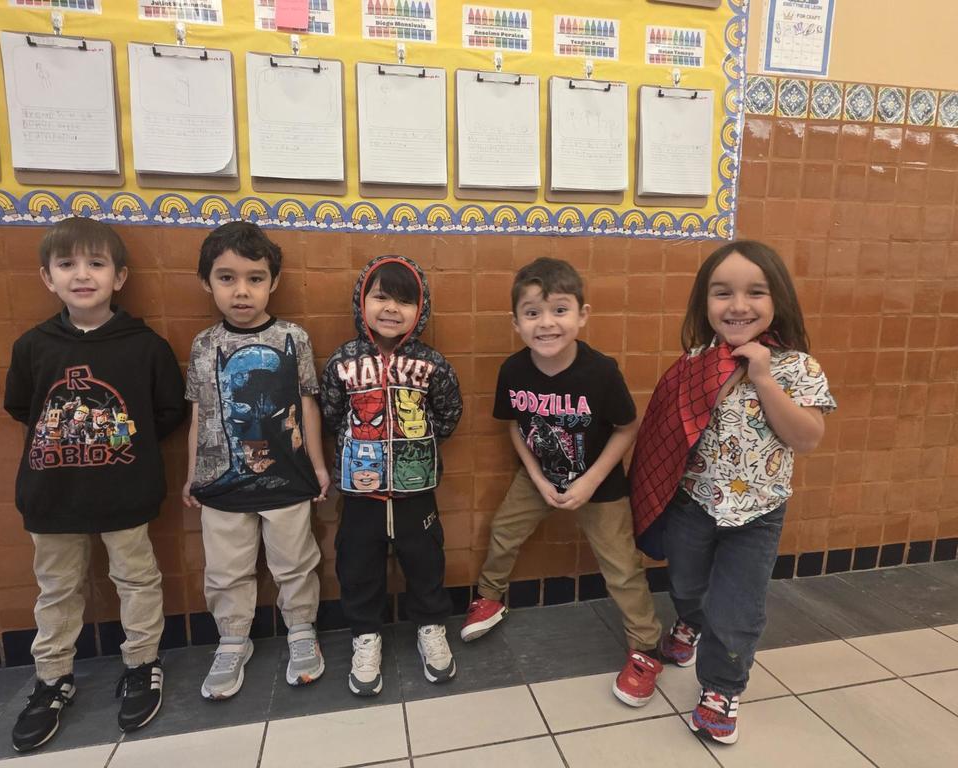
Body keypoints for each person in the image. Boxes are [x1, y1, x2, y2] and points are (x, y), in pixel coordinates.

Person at [630, 241, 835, 745]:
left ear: (778, 299)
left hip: (757, 513)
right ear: (705, 303)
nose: (738, 305)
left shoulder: (798, 368)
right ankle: (690, 621)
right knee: (687, 584)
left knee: (737, 604)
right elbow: (666, 431)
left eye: (755, 292)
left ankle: (721, 688)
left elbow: (806, 438)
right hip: (692, 502)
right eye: (723, 293)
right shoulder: (696, 360)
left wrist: (763, 377)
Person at [4, 217, 185, 752]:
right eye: (68, 265)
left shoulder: (145, 346)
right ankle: (53, 677)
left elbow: (167, 411)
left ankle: (143, 664)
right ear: (48, 278)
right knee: (56, 589)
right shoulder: (33, 346)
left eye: (96, 264)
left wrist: (119, 446)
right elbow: (22, 407)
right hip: (51, 497)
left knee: (137, 579)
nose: (82, 275)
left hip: (125, 492)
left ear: (119, 276)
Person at [460, 257, 665, 708]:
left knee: (621, 568)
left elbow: (627, 427)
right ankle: (490, 598)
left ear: (582, 315)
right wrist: (534, 474)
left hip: (601, 486)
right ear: (516, 323)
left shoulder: (601, 371)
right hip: (539, 476)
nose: (546, 323)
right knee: (502, 532)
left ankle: (647, 647)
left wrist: (591, 482)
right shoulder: (513, 371)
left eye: (559, 310)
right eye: (533, 313)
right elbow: (514, 424)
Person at [183, 222, 330, 700]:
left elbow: (308, 404)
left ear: (274, 282)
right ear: (206, 283)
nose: (241, 291)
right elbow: (200, 415)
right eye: (227, 278)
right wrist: (193, 475)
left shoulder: (295, 338)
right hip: (221, 485)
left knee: (295, 562)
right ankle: (232, 639)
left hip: (288, 477)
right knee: (226, 569)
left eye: (254, 278)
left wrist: (319, 465)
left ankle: (301, 631)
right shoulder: (204, 346)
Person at [321, 255, 463, 696]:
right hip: (360, 493)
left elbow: (449, 413)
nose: (391, 309)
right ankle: (366, 635)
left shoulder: (432, 364)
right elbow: (330, 414)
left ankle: (431, 627)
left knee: (426, 561)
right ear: (361, 301)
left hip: (415, 491)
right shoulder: (343, 360)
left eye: (405, 300)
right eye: (381, 296)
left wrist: (413, 449)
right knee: (357, 563)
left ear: (420, 310)